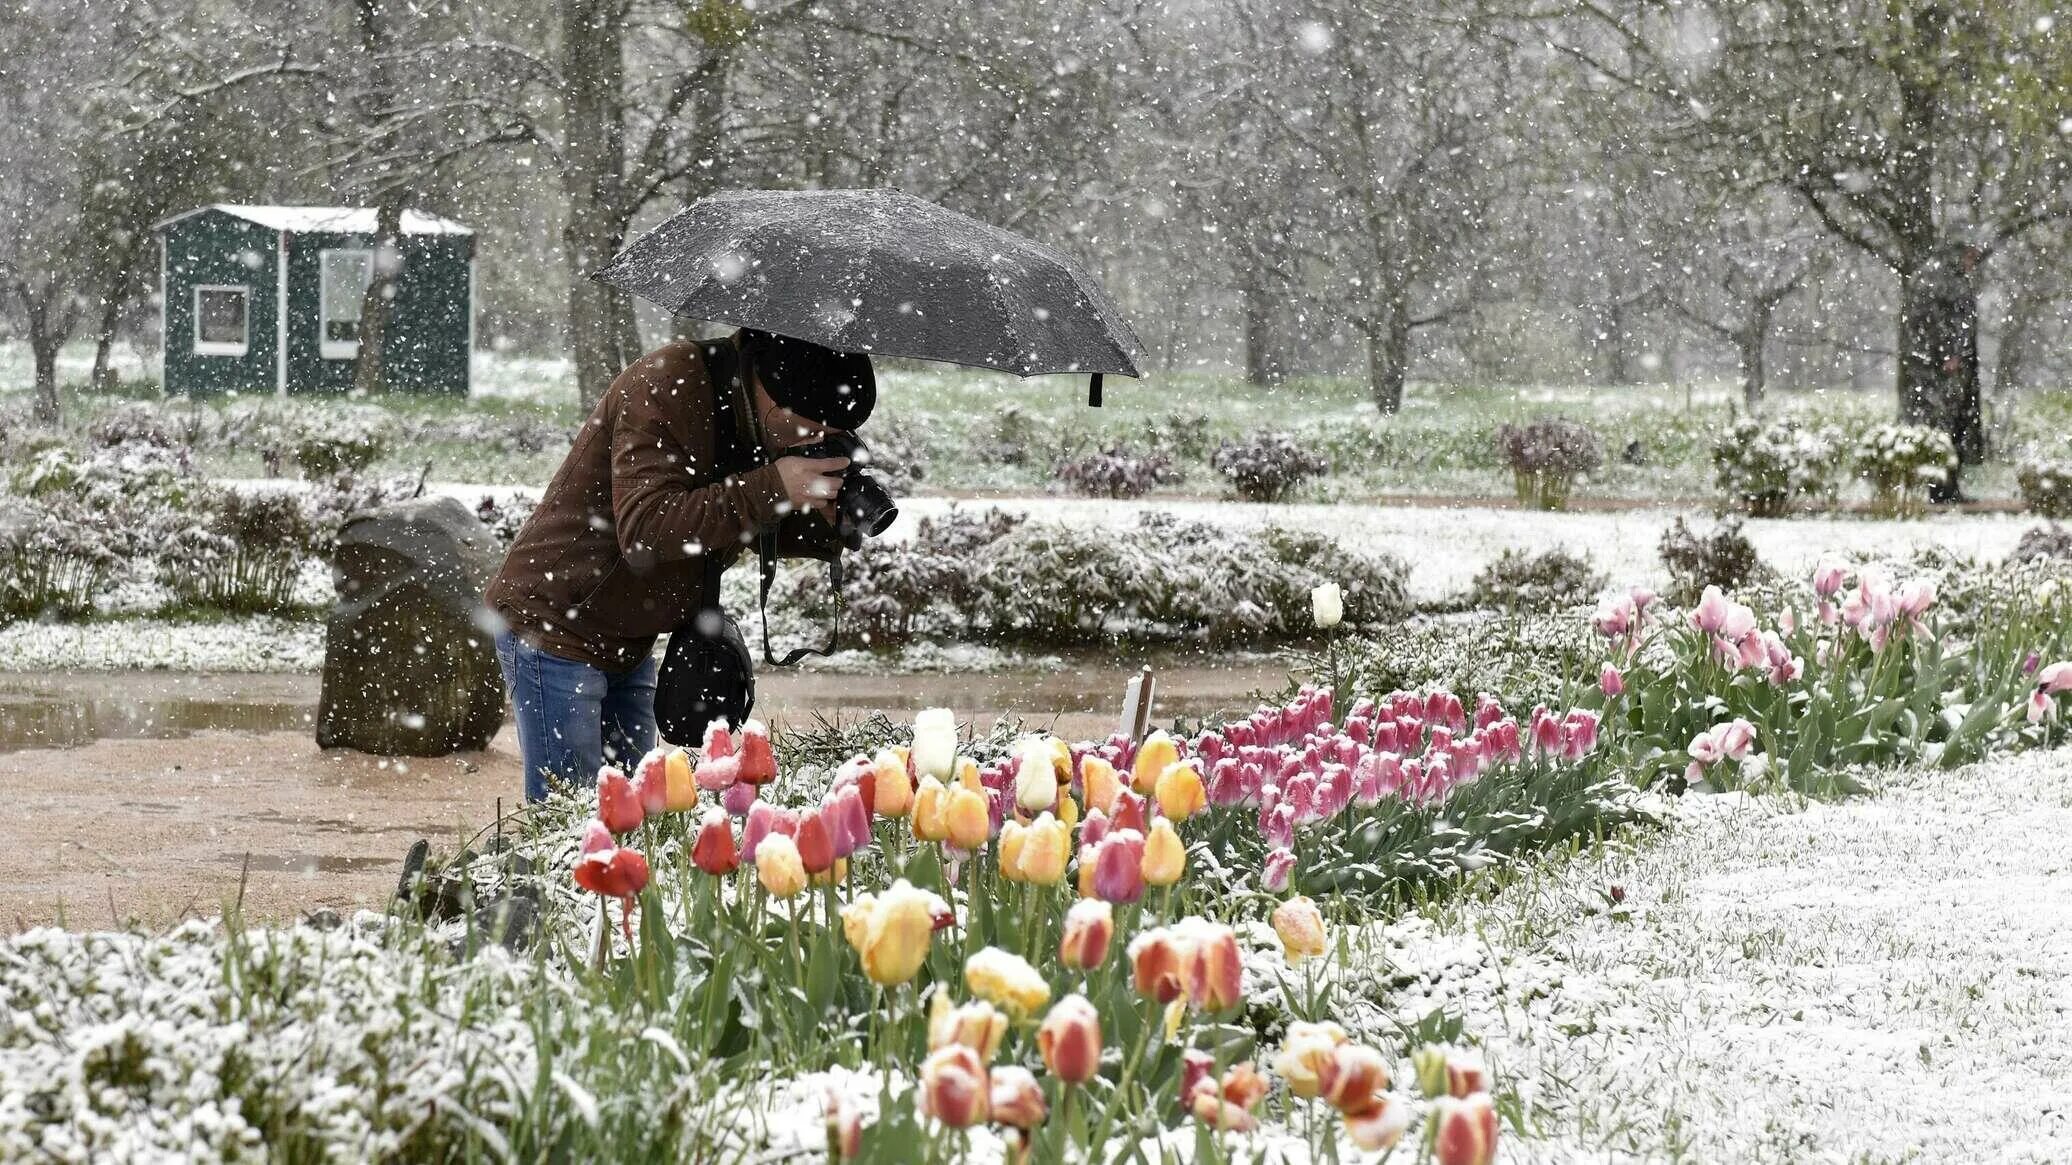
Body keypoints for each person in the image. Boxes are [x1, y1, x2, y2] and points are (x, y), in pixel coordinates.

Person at [485, 329, 873, 801]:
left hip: (629, 630)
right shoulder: (667, 386)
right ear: (772, 390)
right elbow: (646, 531)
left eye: (834, 439)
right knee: (572, 825)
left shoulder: (757, 417)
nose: (816, 444)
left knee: (637, 817)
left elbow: (734, 523)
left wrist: (825, 519)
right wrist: (773, 486)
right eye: (814, 431)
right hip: (557, 620)